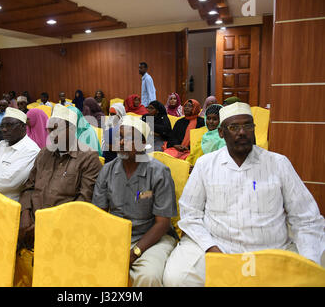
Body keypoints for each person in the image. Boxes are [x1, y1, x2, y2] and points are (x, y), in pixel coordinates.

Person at [163, 102, 325, 287]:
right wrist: (212, 249)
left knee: (311, 277)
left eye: (248, 126)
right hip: (217, 247)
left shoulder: (278, 163)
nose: (242, 132)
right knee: (176, 279)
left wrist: (310, 261)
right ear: (222, 133)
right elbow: (190, 214)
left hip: (270, 250)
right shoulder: (205, 165)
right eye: (234, 127)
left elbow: (307, 218)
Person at [93, 116, 177, 286]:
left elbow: (162, 223)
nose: (122, 142)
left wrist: (135, 252)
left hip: (153, 239)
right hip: (116, 236)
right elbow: (99, 215)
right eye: (119, 137)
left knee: (149, 276)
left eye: (129, 138)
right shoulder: (107, 170)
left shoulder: (159, 172)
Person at [18, 104, 103, 250]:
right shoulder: (44, 154)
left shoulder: (88, 158)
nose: (52, 134)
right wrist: (25, 216)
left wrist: (45, 226)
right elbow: (28, 188)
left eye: (57, 129)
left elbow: (83, 203)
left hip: (64, 227)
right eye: (50, 130)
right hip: (31, 221)